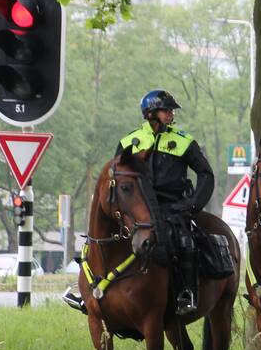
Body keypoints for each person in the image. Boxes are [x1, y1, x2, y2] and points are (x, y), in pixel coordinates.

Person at [63, 90, 214, 315]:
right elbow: (113, 177)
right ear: (151, 113)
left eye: (171, 111)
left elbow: (206, 175)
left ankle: (186, 294)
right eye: (167, 110)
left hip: (172, 209)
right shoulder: (128, 142)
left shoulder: (184, 141)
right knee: (100, 239)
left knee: (186, 243)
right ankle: (89, 294)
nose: (171, 115)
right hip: (136, 209)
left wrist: (191, 205)